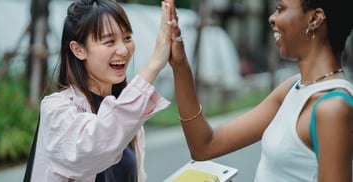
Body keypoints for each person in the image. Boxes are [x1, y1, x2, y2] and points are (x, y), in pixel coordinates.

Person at [168, 0, 353, 181]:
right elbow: (205, 146)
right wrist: (180, 65)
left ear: (315, 19)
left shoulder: (332, 108)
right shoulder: (293, 88)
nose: (272, 18)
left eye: (281, 9)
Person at [26, 0, 176, 181]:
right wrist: (154, 64)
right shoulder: (57, 109)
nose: (123, 50)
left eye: (127, 38)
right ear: (79, 50)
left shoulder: (125, 109)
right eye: (109, 41)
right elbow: (95, 146)